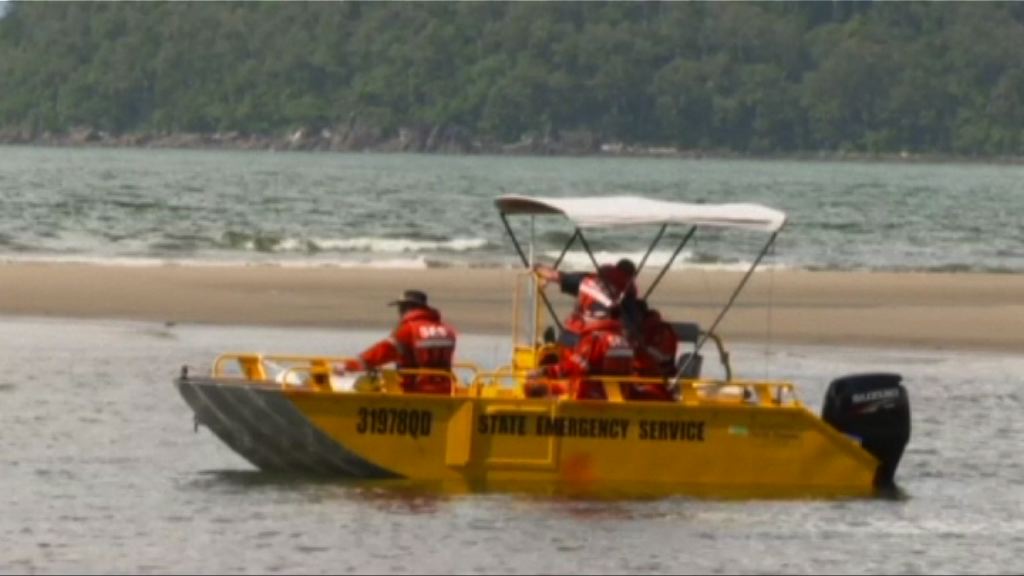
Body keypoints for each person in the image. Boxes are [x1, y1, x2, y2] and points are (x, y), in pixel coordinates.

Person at [335, 289, 457, 395]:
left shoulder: (408, 330)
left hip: (415, 391)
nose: (399, 312)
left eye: (401, 308)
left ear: (408, 308)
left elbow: (380, 353)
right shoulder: (448, 329)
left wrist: (348, 366)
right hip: (445, 389)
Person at [524, 315, 635, 400]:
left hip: (594, 399)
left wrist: (545, 371)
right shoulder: (622, 339)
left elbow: (575, 366)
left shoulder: (595, 339)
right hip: (619, 396)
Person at [534, 258, 638, 337]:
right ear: (630, 278)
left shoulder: (588, 281)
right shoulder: (626, 294)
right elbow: (631, 326)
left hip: (574, 332)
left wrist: (538, 267)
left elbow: (556, 276)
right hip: (602, 337)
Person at [625, 299, 677, 401]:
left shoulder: (660, 331)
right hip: (642, 378)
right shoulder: (640, 332)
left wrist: (639, 348)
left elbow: (661, 358)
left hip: (655, 379)